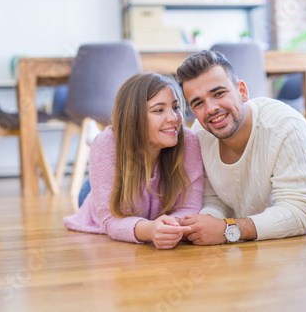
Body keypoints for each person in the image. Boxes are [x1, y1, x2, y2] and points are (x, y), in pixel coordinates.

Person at [177, 50, 306, 245]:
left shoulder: (286, 124)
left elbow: (299, 214)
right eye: (198, 103)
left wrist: (227, 229)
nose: (211, 108)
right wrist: (200, 225)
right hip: (267, 173)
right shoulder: (199, 133)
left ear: (242, 91)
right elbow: (215, 199)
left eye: (219, 93)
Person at [64, 73, 204, 250]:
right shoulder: (106, 144)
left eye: (175, 107)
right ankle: (97, 160)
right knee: (91, 188)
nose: (173, 118)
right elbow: (111, 219)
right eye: (159, 110)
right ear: (134, 117)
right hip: (104, 200)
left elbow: (191, 206)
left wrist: (172, 226)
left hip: (151, 204)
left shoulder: (189, 141)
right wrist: (151, 230)